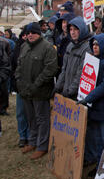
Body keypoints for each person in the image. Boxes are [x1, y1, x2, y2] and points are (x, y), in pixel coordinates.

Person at [77, 33, 104, 170]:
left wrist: (88, 98)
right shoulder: (94, 61)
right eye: (94, 44)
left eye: (98, 44)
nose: (95, 47)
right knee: (97, 139)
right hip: (96, 106)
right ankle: (99, 166)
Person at [15, 22, 58, 160]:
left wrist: (36, 84)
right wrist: (19, 81)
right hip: (26, 91)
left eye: (33, 33)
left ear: (39, 33)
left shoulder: (47, 48)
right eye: (28, 33)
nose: (30, 35)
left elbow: (50, 69)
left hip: (40, 92)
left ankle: (42, 146)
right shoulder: (24, 46)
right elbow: (19, 66)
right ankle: (32, 142)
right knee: (31, 118)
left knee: (42, 119)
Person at [54, 16, 91, 100]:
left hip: (78, 94)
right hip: (67, 90)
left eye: (75, 29)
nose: (72, 32)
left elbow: (81, 73)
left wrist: (70, 90)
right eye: (70, 29)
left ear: (81, 29)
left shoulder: (87, 48)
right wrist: (58, 87)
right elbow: (64, 69)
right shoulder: (70, 46)